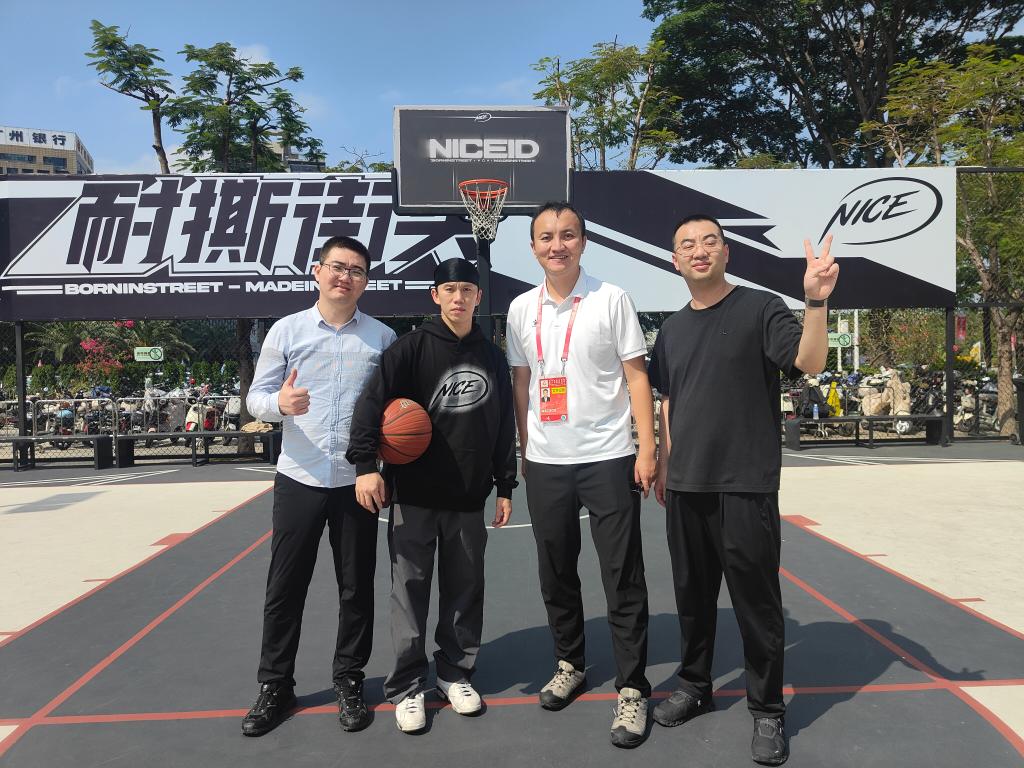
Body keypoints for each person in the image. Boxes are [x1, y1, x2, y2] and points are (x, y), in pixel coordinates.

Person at [648, 214, 837, 766]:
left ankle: (768, 709)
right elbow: (669, 401)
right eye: (687, 244)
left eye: (710, 241)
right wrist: (664, 462)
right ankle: (695, 685)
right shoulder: (672, 330)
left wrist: (816, 301)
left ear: (726, 252)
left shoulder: (761, 308)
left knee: (757, 605)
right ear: (675, 260)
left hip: (745, 485)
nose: (699, 250)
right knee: (692, 600)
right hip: (686, 487)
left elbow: (809, 361)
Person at [505, 202, 657, 749]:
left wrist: (646, 449)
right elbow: (522, 383)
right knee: (556, 572)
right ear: (533, 247)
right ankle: (569, 663)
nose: (557, 245)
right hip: (548, 461)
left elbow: (637, 378)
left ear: (583, 242)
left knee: (622, 574)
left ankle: (633, 687)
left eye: (567, 235)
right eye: (546, 237)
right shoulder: (520, 308)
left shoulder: (611, 299)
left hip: (609, 456)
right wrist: (526, 450)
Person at [346, 258, 517, 734]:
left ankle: (454, 673)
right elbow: (370, 405)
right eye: (450, 289)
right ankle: (406, 686)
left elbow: (504, 423)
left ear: (478, 297)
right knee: (410, 592)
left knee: (465, 590)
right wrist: (365, 465)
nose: (459, 298)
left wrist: (505, 484)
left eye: (467, 290)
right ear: (435, 296)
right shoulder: (409, 349)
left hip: (468, 495)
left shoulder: (492, 356)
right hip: (414, 493)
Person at [241, 235, 397, 737]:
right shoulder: (287, 331)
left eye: (356, 270)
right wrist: (278, 405)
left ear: (365, 282)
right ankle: (275, 685)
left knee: (356, 588)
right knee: (285, 587)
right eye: (337, 266)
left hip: (357, 480)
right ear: (317, 271)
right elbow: (255, 398)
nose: (345, 276)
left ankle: (349, 679)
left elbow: (396, 409)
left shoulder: (382, 339)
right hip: (300, 476)